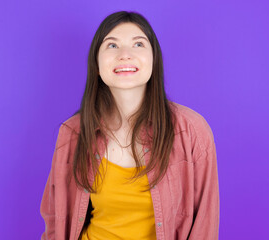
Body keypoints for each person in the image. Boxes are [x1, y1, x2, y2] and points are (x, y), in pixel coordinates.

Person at [40, 11, 220, 240]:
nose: (125, 54)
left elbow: (205, 224)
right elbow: (55, 220)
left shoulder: (193, 130)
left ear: (154, 60)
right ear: (96, 64)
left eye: (138, 44)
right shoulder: (72, 132)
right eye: (112, 46)